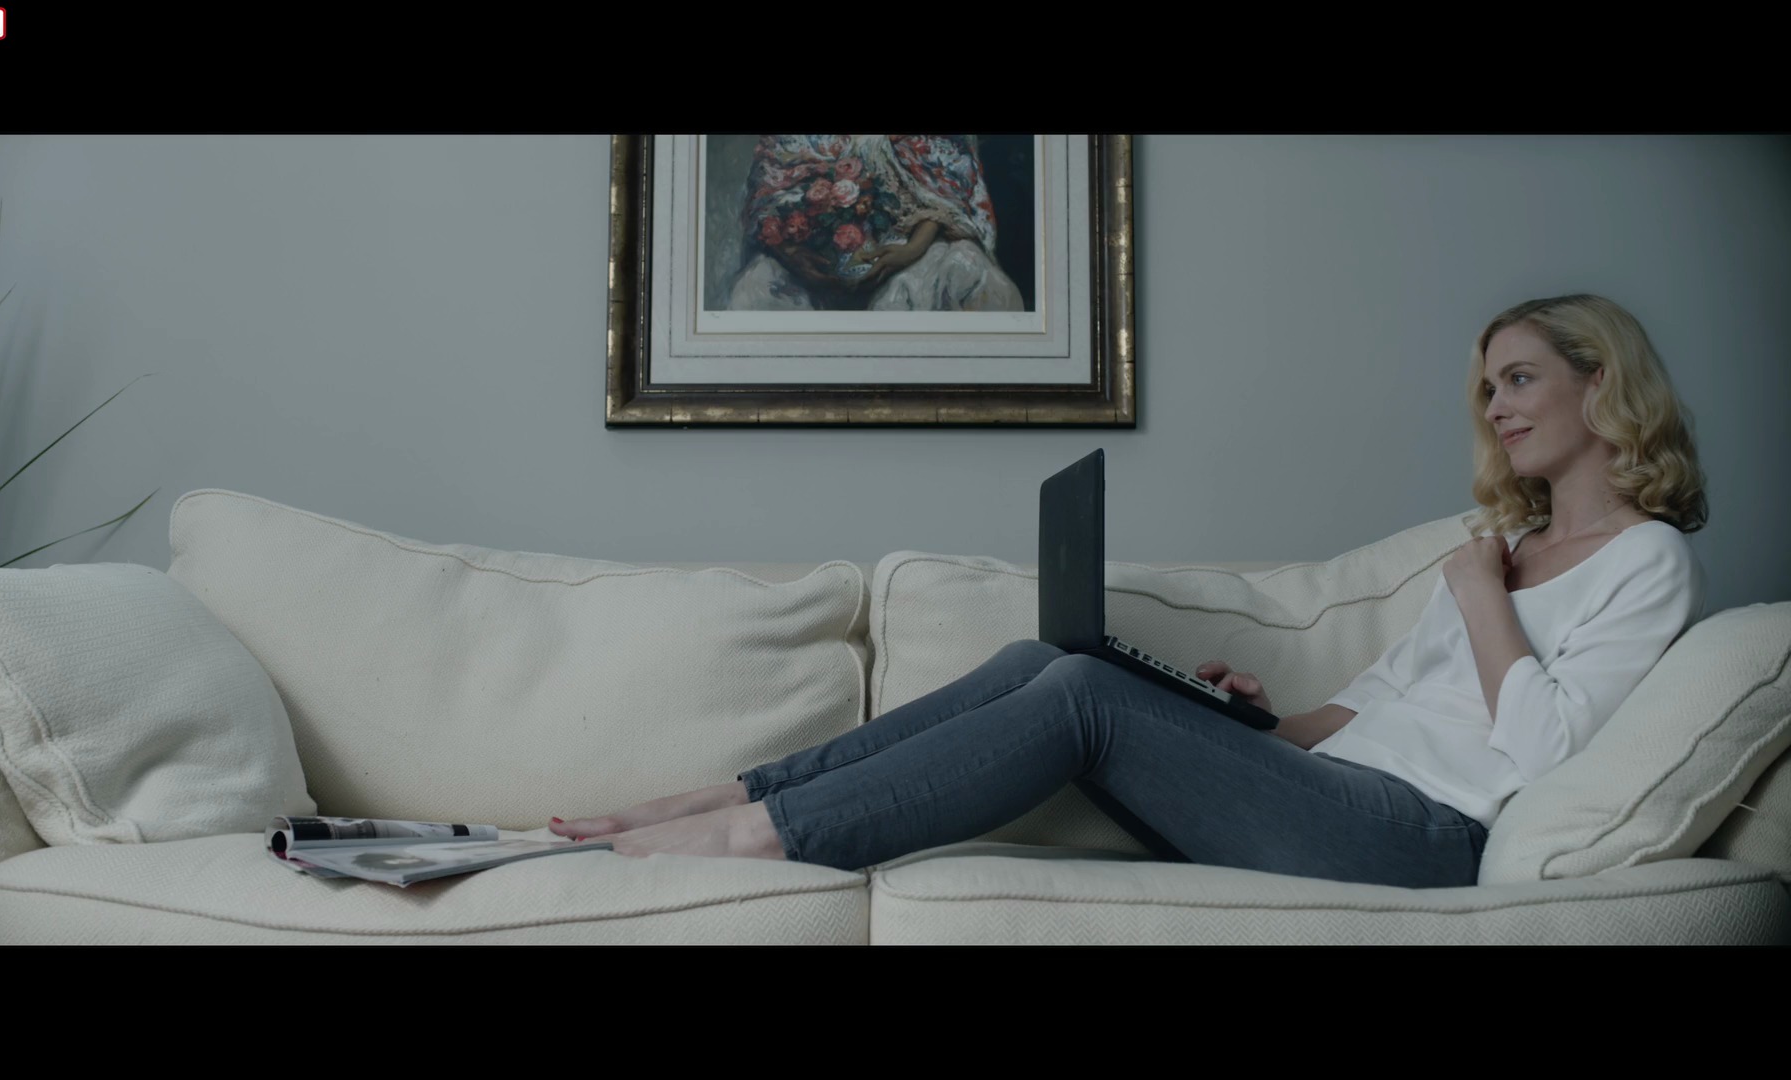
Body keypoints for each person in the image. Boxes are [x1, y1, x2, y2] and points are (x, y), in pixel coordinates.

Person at [551, 294, 1708, 888]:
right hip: (1337, 792)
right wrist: (1257, 723)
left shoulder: (1644, 558)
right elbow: (1372, 710)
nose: (1496, 410)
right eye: (1489, 390)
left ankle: (756, 839)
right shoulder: (1499, 551)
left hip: (1428, 841)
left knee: (1081, 700)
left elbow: (1545, 752)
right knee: (1053, 662)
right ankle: (739, 791)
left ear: (1601, 382)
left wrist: (1485, 596)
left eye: (1519, 380)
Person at [725, 135, 1025, 313]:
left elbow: (944, 189)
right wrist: (791, 253)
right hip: (812, 262)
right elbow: (769, 190)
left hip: (908, 250)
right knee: (755, 288)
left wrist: (912, 249)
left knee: (969, 271)